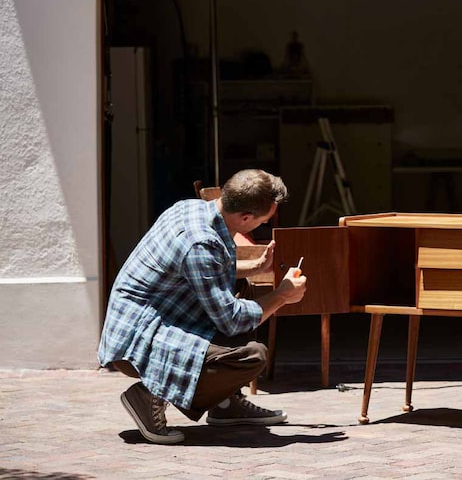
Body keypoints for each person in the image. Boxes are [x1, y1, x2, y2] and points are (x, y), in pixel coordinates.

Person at [99, 169, 308, 444]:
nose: (263, 226)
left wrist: (254, 267)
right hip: (137, 340)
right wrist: (282, 295)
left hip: (151, 316)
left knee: (241, 291)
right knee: (251, 356)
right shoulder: (202, 242)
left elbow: (202, 271)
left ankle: (224, 405)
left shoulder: (191, 208)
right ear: (245, 218)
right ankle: (148, 395)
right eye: (264, 221)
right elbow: (231, 320)